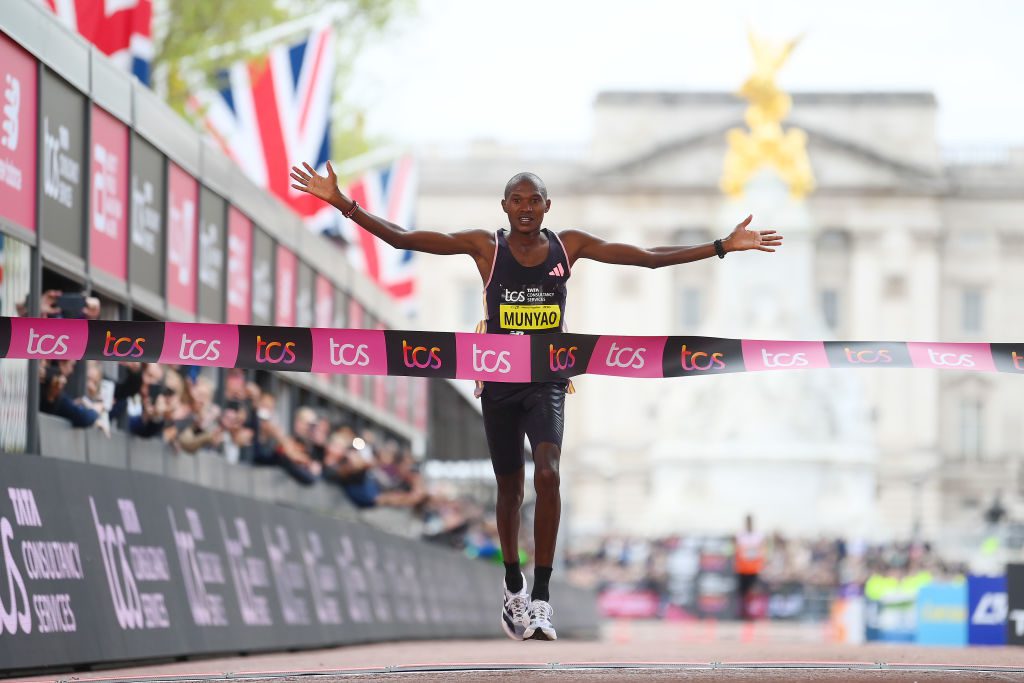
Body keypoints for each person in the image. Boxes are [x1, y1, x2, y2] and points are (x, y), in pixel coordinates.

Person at [291, 161, 783, 641]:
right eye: (517, 200)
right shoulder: (485, 246)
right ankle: (513, 584)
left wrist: (722, 246)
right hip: (499, 381)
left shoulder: (569, 246)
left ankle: (543, 598)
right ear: (504, 206)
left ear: (548, 206)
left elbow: (648, 257)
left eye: (534, 201)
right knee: (511, 488)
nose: (526, 208)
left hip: (547, 379)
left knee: (547, 473)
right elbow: (403, 239)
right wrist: (341, 203)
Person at [735, 514, 766, 620]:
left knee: (753, 591)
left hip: (754, 568)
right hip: (742, 568)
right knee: (742, 592)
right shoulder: (740, 535)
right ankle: (743, 613)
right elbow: (738, 550)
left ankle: (752, 613)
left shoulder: (758, 535)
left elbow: (761, 551)